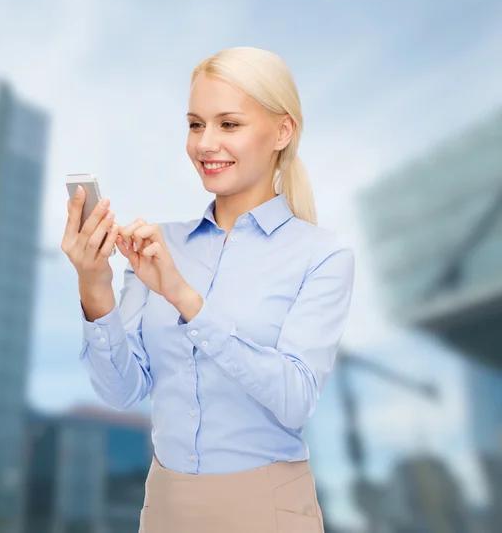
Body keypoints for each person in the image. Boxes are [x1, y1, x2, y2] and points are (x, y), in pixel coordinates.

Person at [61, 46, 355, 533]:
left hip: (268, 508)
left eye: (229, 124)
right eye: (196, 124)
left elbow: (296, 397)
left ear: (283, 131)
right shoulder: (159, 244)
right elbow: (122, 392)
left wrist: (186, 300)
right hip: (165, 505)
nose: (205, 143)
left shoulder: (321, 256)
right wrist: (95, 289)